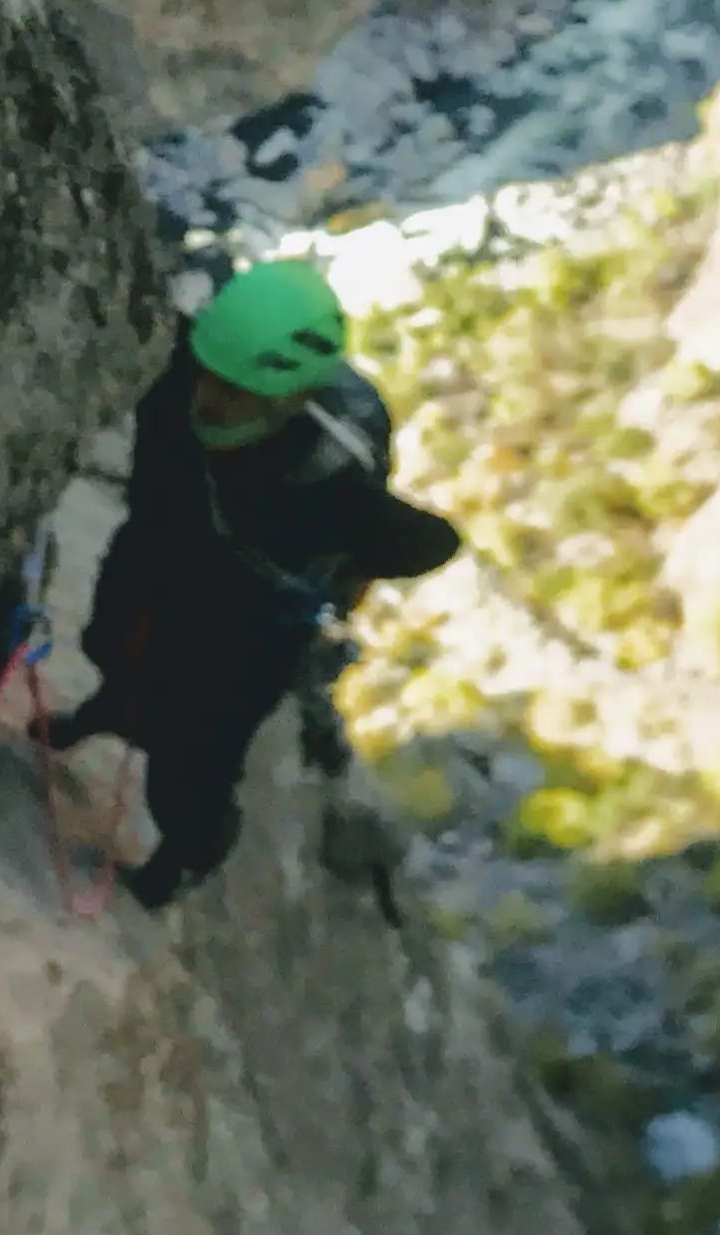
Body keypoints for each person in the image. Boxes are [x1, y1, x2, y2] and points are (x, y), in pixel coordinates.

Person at [57, 261, 462, 913]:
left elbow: (419, 543)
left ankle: (188, 850)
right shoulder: (182, 368)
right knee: (112, 638)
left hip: (251, 623)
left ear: (293, 399)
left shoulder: (328, 474)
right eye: (209, 375)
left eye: (235, 391)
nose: (209, 400)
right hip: (165, 547)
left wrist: (352, 554)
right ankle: (116, 708)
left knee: (191, 764)